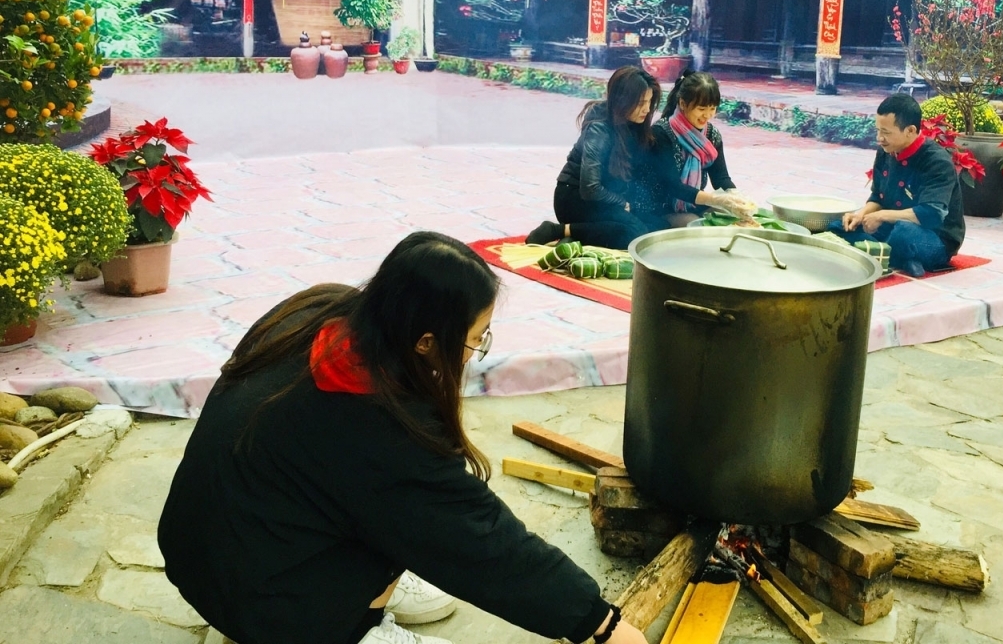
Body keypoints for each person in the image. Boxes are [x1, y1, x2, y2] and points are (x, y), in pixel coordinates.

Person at [158, 232, 646, 644]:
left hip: (202, 546)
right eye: (477, 337)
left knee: (397, 517)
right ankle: (358, 625)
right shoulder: (372, 424)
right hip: (258, 600)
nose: (476, 350)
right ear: (426, 341)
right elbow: (482, 542)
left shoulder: (317, 309)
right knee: (418, 526)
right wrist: (601, 625)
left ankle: (367, 590)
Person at [526, 66, 752, 249]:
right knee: (634, 234)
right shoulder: (600, 128)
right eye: (640, 103)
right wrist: (622, 202)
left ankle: (582, 234)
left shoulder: (637, 124)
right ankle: (558, 230)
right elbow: (590, 187)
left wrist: (734, 198)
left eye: (649, 102)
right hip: (576, 197)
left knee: (654, 226)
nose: (646, 110)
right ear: (623, 100)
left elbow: (718, 177)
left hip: (610, 197)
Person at [834, 93, 965, 277]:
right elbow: (877, 197)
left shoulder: (936, 161)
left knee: (902, 233)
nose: (879, 138)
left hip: (934, 237)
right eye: (878, 131)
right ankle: (900, 259)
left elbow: (931, 214)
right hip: (891, 225)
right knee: (838, 226)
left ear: (910, 130)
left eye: (886, 133)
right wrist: (860, 215)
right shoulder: (885, 152)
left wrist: (882, 216)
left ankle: (882, 254)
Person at [636, 71, 739, 227]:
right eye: (702, 108)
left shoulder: (712, 135)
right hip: (659, 208)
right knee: (693, 224)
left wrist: (736, 197)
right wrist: (714, 199)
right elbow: (673, 187)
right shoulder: (661, 133)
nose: (707, 115)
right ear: (683, 104)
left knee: (733, 217)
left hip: (693, 204)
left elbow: (721, 178)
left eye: (712, 108)